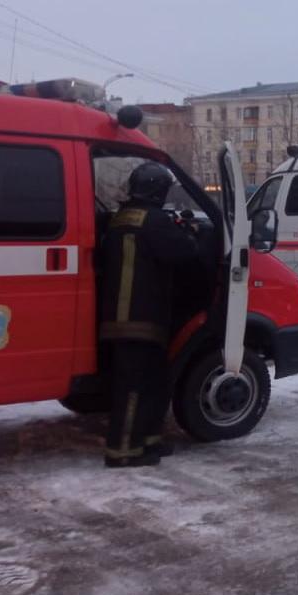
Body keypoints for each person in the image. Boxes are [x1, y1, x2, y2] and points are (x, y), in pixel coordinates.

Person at [98, 162, 201, 468]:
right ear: (158, 190)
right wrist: (190, 232)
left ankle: (148, 441)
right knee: (136, 386)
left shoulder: (119, 219)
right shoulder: (154, 221)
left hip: (119, 319)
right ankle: (123, 450)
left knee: (153, 383)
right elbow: (185, 253)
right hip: (141, 320)